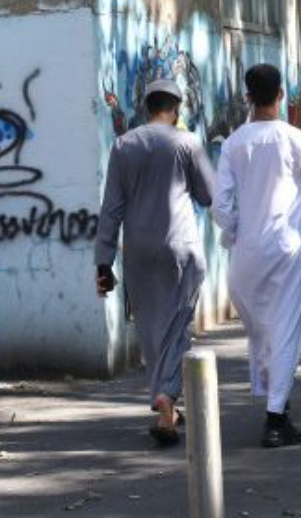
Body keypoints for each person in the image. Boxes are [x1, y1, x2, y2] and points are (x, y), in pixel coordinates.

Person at [211, 64, 301, 448]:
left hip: (246, 256)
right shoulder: (299, 140)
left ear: (248, 97)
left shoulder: (234, 144)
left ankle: (277, 404)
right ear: (281, 94)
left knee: (264, 333)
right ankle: (274, 419)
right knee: (285, 331)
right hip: (287, 250)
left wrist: (235, 232)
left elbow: (220, 206)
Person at [95, 79, 216, 447]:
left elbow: (111, 208)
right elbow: (208, 195)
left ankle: (165, 401)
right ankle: (166, 397)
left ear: (146, 108)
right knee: (178, 325)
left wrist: (103, 262)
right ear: (176, 109)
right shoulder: (186, 142)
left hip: (139, 251)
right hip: (180, 248)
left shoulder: (123, 145)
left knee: (150, 330)